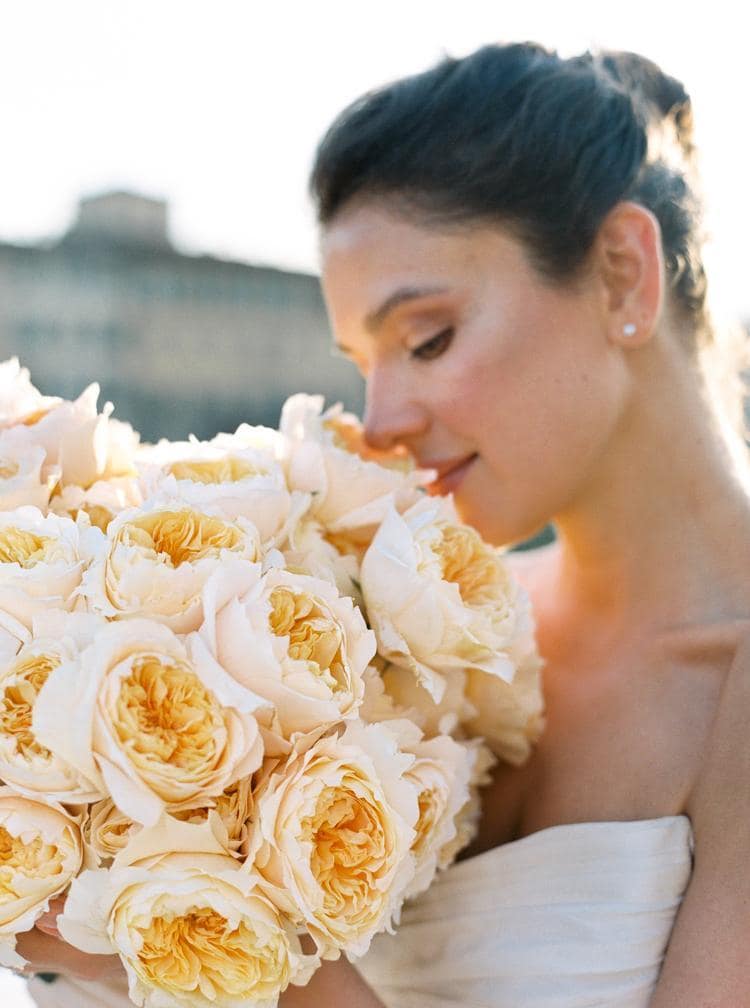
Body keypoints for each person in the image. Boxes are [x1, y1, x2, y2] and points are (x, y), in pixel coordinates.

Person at [16, 42, 750, 1008]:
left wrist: (240, 963)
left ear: (621, 273)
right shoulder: (382, 639)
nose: (381, 417)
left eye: (427, 339)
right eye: (365, 361)